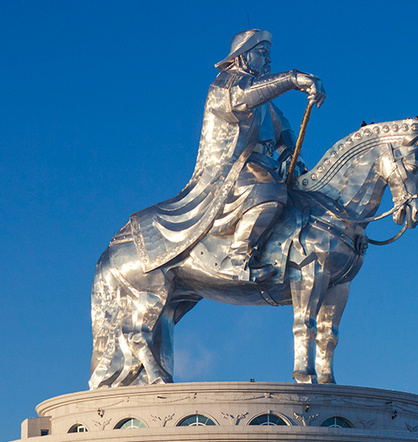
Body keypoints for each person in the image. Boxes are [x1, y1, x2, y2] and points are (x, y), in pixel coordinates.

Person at [129, 29, 326, 282]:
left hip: (266, 167)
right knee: (270, 191)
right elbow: (245, 96)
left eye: (269, 55)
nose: (268, 61)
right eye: (262, 53)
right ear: (242, 56)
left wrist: (290, 154)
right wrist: (293, 78)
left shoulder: (267, 103)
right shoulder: (225, 86)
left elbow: (283, 132)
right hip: (234, 170)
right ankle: (238, 258)